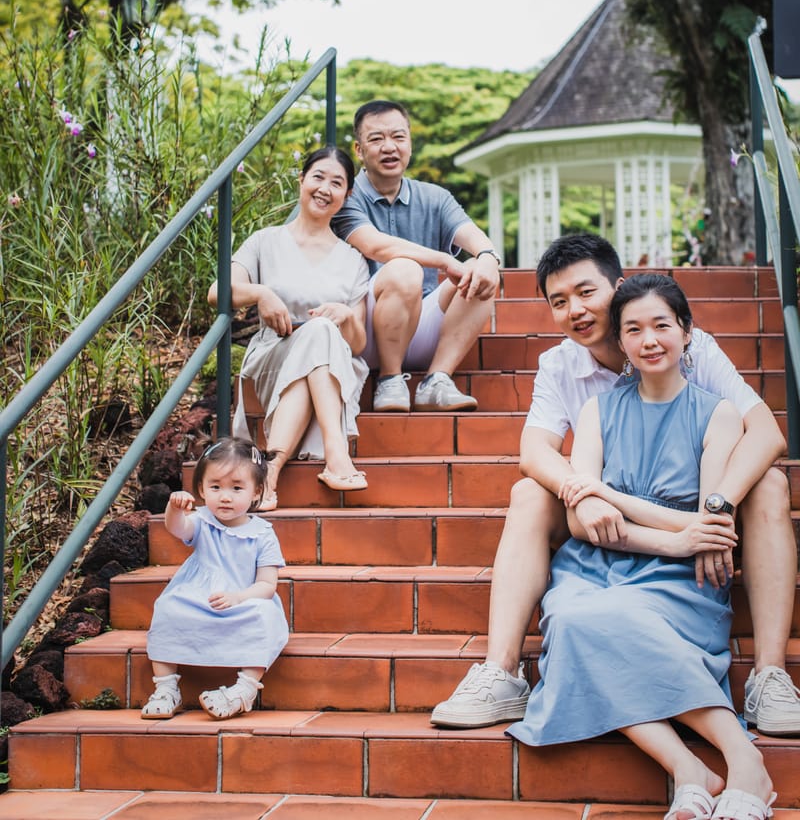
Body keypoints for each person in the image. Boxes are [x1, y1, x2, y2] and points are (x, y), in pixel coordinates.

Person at [432, 233, 800, 738]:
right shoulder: (560, 364)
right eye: (558, 302)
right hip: (605, 520)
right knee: (527, 494)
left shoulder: (688, 348)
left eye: (586, 292)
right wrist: (580, 491)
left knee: (772, 486)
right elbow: (534, 451)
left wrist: (718, 505)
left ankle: (770, 675)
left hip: (694, 506)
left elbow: (766, 433)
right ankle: (501, 671)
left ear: (619, 286)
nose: (575, 311)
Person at [507, 273, 775, 820]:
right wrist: (672, 537)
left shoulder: (716, 414)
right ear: (622, 341)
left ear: (686, 332)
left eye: (661, 326)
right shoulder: (598, 411)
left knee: (606, 626)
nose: (649, 339)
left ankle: (745, 763)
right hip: (594, 567)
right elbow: (583, 523)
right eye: (633, 329)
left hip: (681, 582)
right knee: (575, 622)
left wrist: (609, 493)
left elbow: (706, 521)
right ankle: (689, 768)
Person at [208, 146, 370, 509]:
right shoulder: (266, 241)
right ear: (301, 180)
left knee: (321, 333)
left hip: (333, 362)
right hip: (273, 352)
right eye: (318, 177)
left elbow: (358, 344)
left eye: (337, 182)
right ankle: (337, 454)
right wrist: (261, 293)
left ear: (347, 195)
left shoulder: (353, 259)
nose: (325, 188)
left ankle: (270, 471)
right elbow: (217, 291)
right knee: (317, 334)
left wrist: (345, 315)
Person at [331, 100, 501, 412]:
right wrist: (443, 260)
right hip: (364, 332)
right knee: (404, 269)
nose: (389, 147)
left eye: (398, 137)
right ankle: (390, 380)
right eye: (376, 139)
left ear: (410, 142)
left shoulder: (435, 197)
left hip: (423, 327)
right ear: (358, 149)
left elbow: (474, 237)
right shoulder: (344, 194)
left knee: (479, 271)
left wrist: (489, 258)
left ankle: (436, 380)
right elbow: (375, 246)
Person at [142, 438, 289, 721]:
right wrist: (175, 508)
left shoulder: (262, 534)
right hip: (199, 596)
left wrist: (239, 597)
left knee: (265, 617)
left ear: (256, 490)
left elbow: (268, 585)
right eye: (215, 487)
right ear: (201, 489)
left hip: (244, 598)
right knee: (168, 607)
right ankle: (166, 688)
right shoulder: (201, 521)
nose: (225, 496)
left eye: (236, 488)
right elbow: (177, 528)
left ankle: (244, 689)